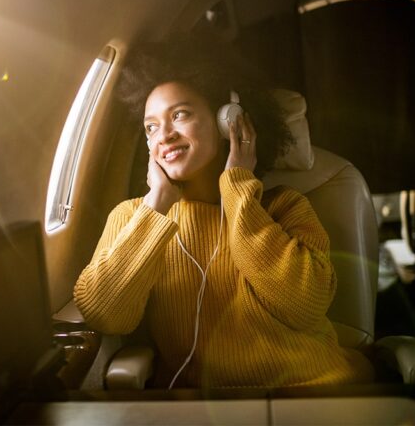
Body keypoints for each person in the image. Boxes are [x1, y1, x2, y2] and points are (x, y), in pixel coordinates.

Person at [73, 35, 374, 388]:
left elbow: (303, 306)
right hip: (210, 412)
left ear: (226, 122)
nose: (163, 136)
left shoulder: (284, 206)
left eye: (180, 115)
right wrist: (158, 202)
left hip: (318, 393)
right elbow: (104, 314)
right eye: (151, 127)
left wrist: (238, 186)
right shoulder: (133, 218)